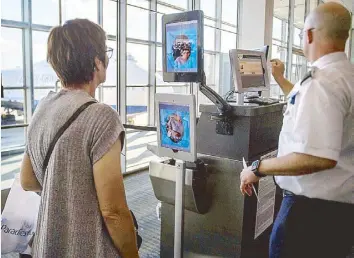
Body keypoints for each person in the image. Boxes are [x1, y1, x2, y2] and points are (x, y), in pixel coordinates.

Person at [239, 2, 354, 258]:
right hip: (338, 213)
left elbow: (318, 157)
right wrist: (280, 79)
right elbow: (318, 112)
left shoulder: (322, 82)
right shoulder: (344, 76)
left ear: (310, 34)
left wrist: (258, 168)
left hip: (308, 217)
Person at [20, 19, 139, 258]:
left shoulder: (43, 108)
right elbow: (113, 211)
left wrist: (65, 189)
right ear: (96, 62)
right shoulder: (102, 117)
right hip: (88, 247)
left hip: (49, 244)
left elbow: (28, 180)